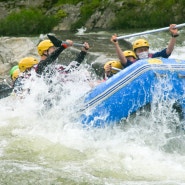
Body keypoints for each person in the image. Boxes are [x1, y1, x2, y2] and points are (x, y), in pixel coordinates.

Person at [111, 24, 179, 68]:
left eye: (145, 49)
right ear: (135, 52)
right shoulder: (133, 64)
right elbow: (122, 59)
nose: (143, 51)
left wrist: (174, 36)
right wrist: (116, 44)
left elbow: (168, 50)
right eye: (140, 50)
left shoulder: (154, 57)